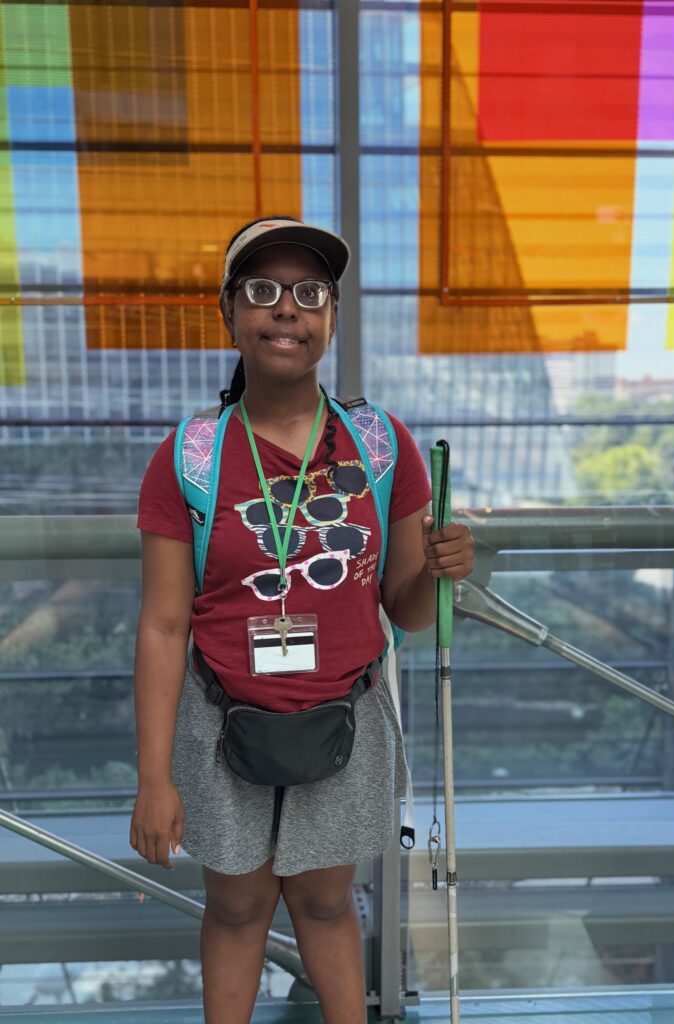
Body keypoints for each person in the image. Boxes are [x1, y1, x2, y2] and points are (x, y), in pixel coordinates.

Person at [130, 216, 474, 1024]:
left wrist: (438, 565)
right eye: (262, 290)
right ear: (229, 313)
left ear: (331, 318)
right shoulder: (191, 457)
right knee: (239, 908)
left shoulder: (381, 447)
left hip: (346, 719)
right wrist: (152, 779)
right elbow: (162, 626)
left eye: (310, 293)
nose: (287, 309)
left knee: (324, 906)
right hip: (218, 723)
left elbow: (408, 614)